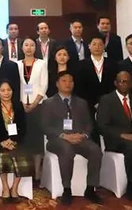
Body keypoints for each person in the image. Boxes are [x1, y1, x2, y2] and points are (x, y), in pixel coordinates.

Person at [42, 71, 103, 205]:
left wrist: (84, 135)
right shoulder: (48, 103)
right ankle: (67, 189)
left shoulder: (81, 102)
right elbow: (45, 127)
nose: (67, 84)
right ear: (57, 84)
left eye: (70, 81)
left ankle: (90, 189)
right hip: (57, 140)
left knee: (95, 150)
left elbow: (89, 124)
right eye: (64, 81)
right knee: (66, 149)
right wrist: (64, 136)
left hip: (80, 138)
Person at [0, 80, 32, 203]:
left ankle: (15, 188)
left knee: (23, 156)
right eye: (3, 90)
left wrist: (14, 141)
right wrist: (3, 141)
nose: (6, 93)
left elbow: (23, 127)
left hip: (17, 141)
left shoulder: (18, 105)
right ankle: (5, 187)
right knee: (2, 156)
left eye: (9, 90)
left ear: (13, 91)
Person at [75, 34, 117, 142]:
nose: (97, 47)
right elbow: (79, 88)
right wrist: (94, 102)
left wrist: (104, 102)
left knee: (110, 133)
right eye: (94, 44)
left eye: (100, 44)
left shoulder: (112, 64)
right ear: (89, 46)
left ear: (104, 47)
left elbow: (114, 85)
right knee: (93, 135)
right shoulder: (81, 65)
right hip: (88, 105)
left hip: (109, 104)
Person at [97, 71, 132, 200]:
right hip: (115, 140)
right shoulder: (107, 100)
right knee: (130, 147)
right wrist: (123, 135)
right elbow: (102, 126)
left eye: (127, 81)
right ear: (115, 83)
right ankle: (131, 187)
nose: (124, 84)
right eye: (122, 81)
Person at [18, 37, 48, 182]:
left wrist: (35, 103)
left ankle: (38, 173)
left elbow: (44, 85)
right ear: (22, 47)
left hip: (39, 106)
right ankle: (25, 172)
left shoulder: (42, 64)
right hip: (22, 106)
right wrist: (22, 103)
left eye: (31, 45)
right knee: (24, 138)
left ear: (35, 48)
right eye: (26, 45)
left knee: (37, 139)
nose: (29, 47)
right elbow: (17, 86)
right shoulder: (16, 65)